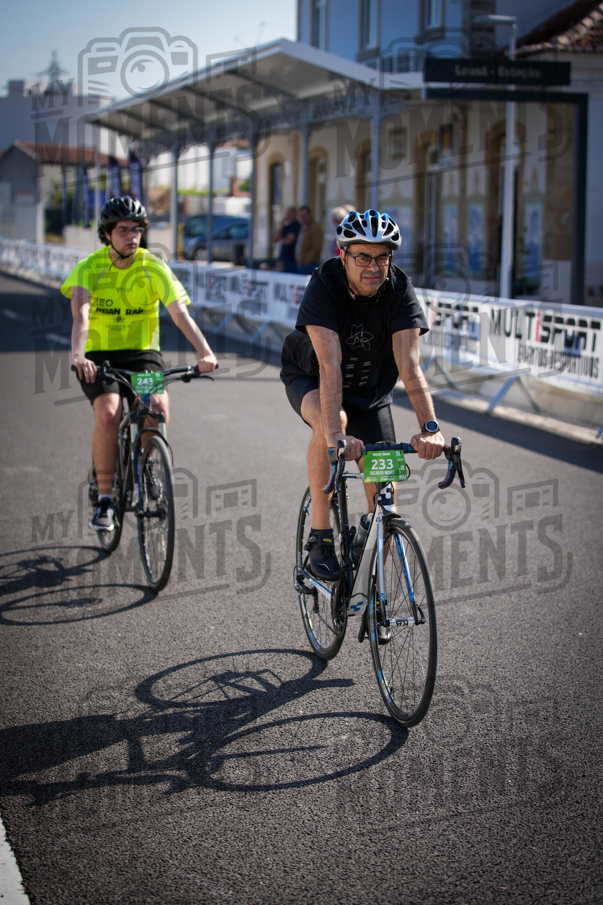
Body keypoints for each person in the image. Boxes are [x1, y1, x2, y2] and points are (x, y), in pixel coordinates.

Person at [280, 208, 445, 581]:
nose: (373, 265)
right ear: (344, 255)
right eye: (363, 257)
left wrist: (430, 426)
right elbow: (330, 365)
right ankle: (320, 537)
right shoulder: (325, 283)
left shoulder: (400, 290)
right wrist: (337, 436)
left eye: (382, 257)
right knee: (330, 422)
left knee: (384, 504)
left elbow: (410, 365)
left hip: (371, 393)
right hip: (312, 377)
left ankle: (366, 592)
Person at [62, 195, 217, 532]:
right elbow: (81, 316)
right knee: (108, 412)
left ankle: (148, 466)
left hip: (141, 354)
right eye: (122, 230)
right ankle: (105, 499)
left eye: (136, 230)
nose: (131, 236)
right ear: (106, 234)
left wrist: (205, 353)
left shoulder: (153, 266)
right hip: (98, 354)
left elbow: (180, 314)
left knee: (156, 406)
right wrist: (78, 354)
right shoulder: (88, 268)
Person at [296, 205, 324, 275]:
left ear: (309, 215)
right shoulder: (302, 227)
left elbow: (317, 247)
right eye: (300, 215)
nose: (302, 218)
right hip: (301, 263)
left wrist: (306, 260)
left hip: (310, 264)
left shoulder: (315, 228)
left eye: (304, 215)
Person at [273, 207, 300, 273]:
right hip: (282, 258)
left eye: (290, 214)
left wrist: (280, 239)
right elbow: (275, 239)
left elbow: (288, 241)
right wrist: (281, 225)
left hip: (291, 259)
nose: (288, 216)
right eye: (287, 214)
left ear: (295, 214)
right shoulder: (286, 226)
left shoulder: (296, 225)